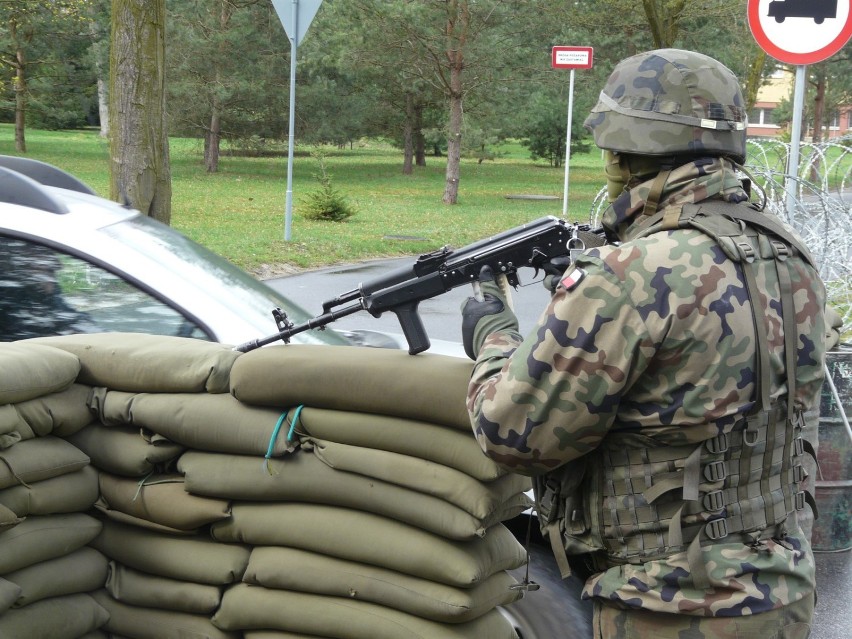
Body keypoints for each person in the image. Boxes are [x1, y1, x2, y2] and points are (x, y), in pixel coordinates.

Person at [462, 49, 827, 639]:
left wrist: (493, 335)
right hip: (779, 593)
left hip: (669, 605)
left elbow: (515, 435)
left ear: (629, 151)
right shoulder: (787, 252)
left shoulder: (633, 271)